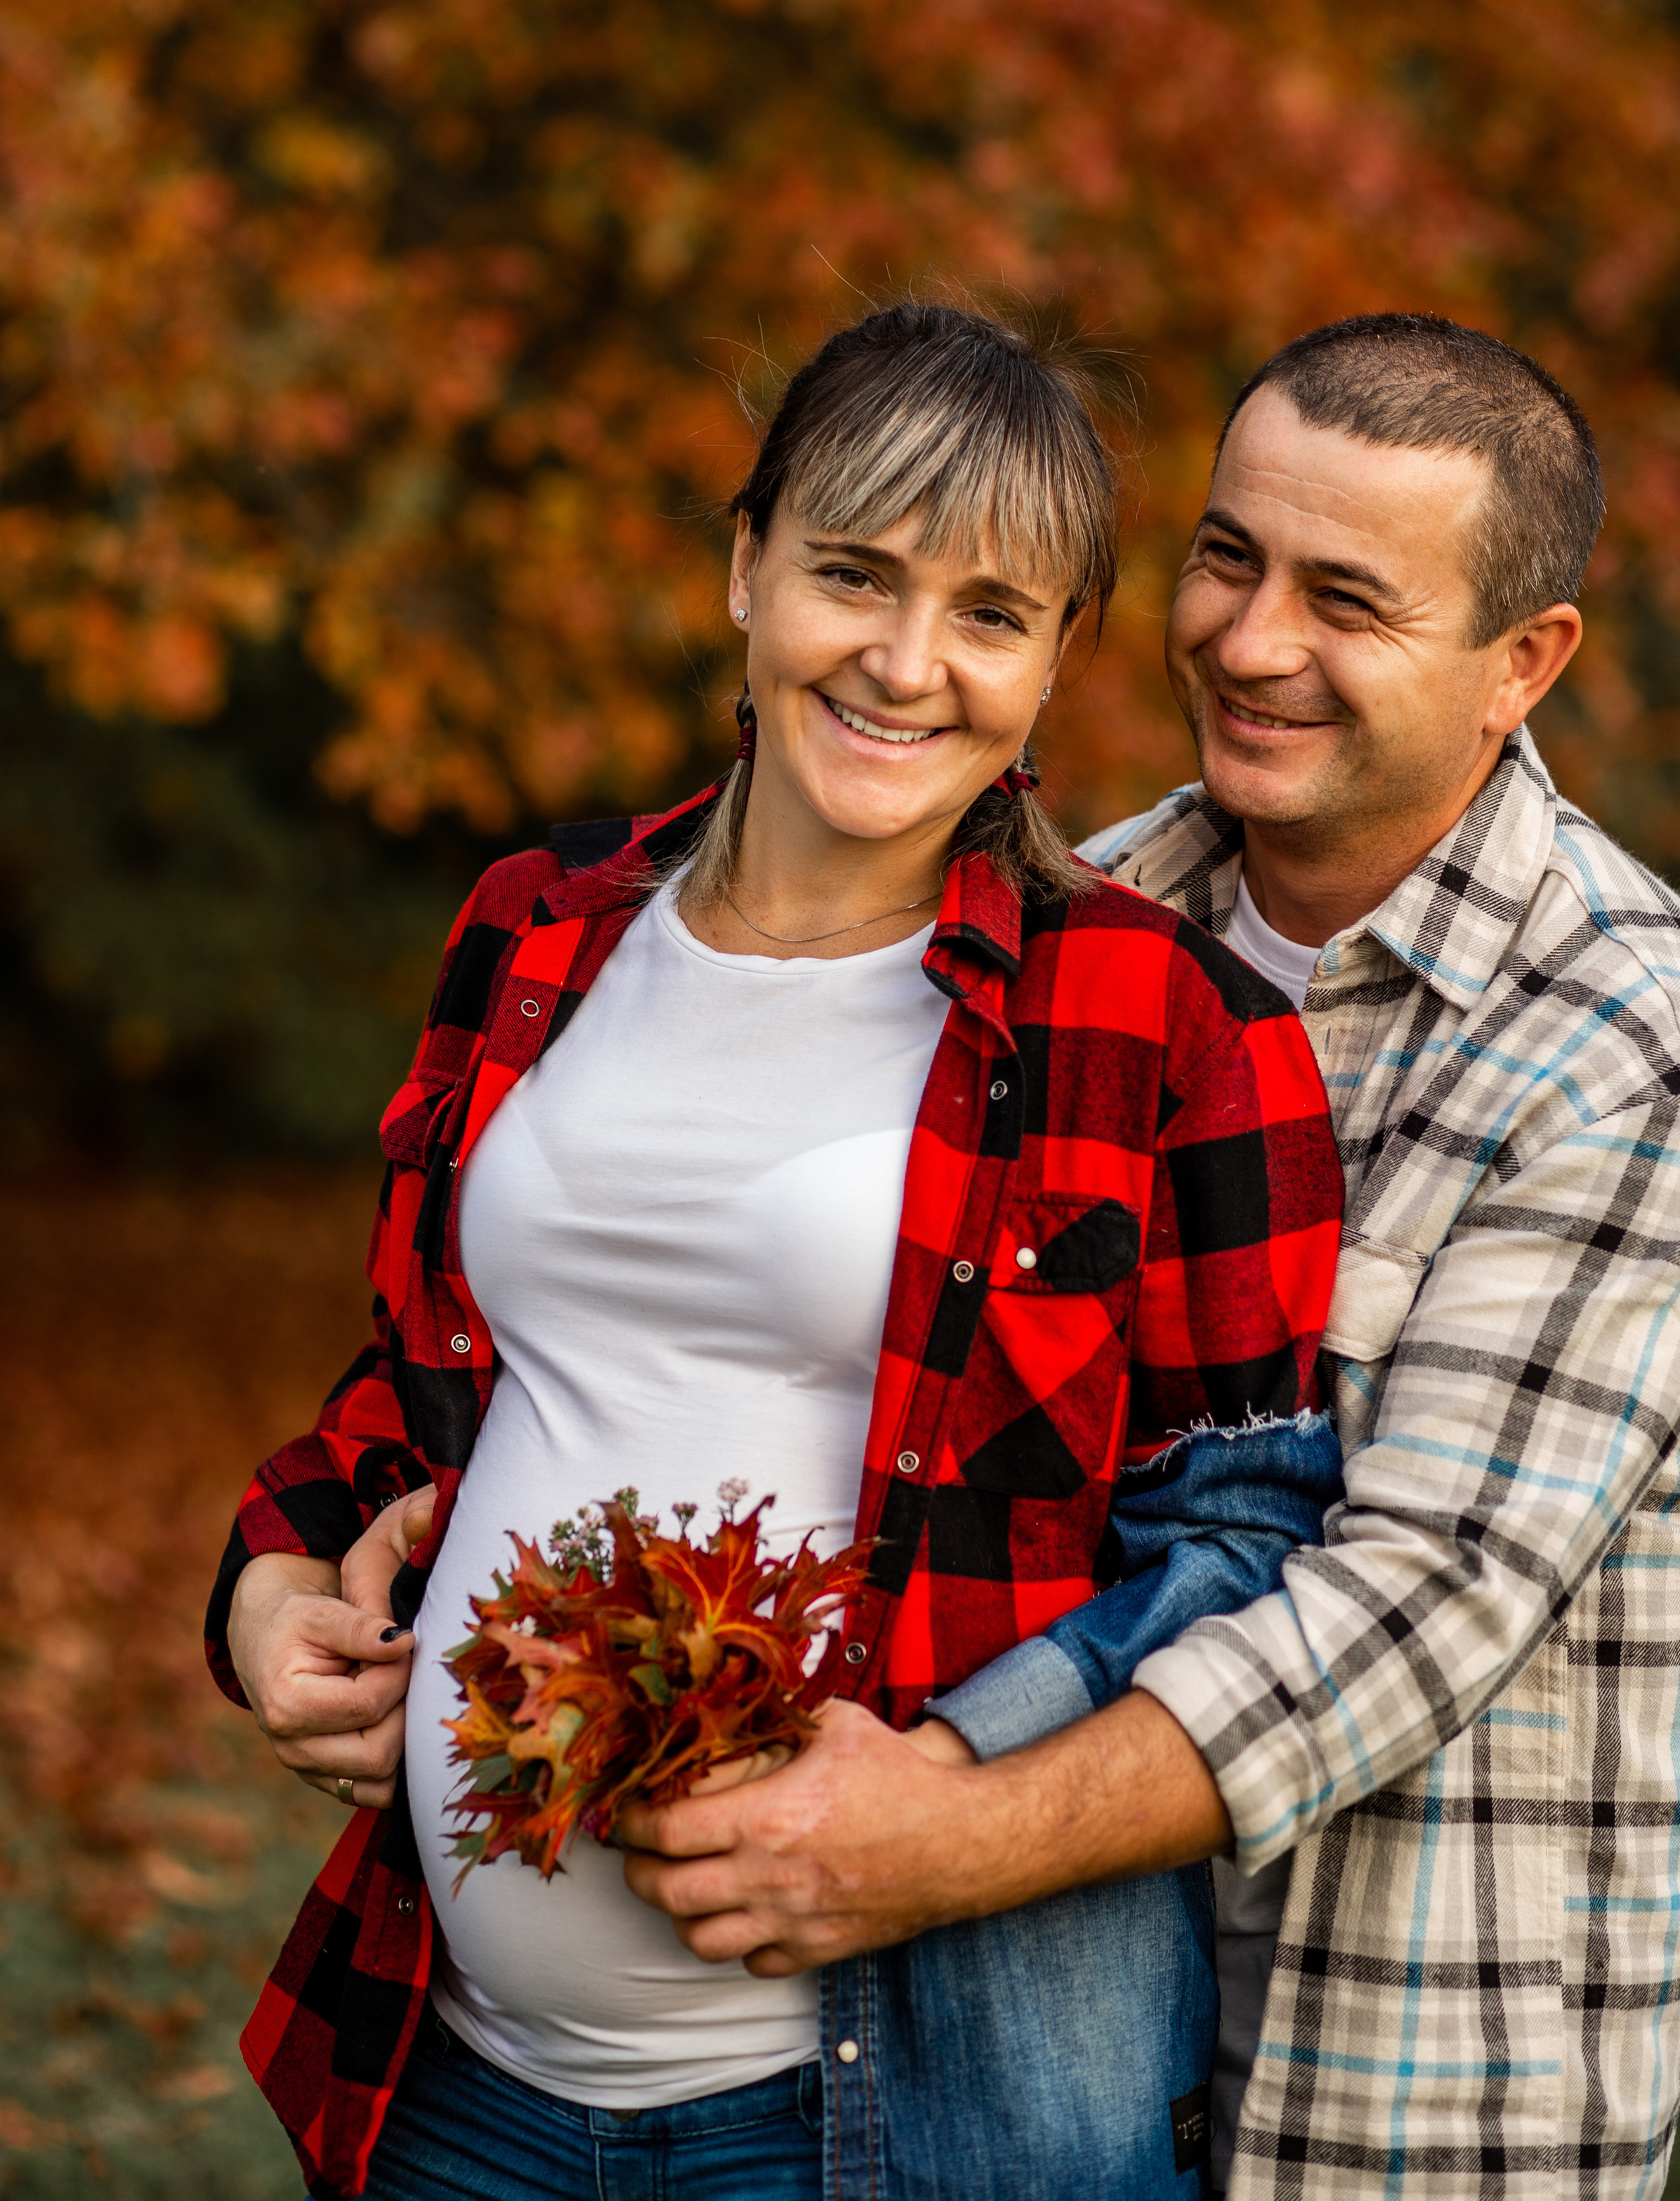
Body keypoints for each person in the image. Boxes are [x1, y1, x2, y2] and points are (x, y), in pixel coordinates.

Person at [615, 313, 1680, 2201]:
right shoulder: (1095, 910)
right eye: (1230, 557)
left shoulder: (1638, 1055)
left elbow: (1412, 1603)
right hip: (1028, 2069)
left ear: (1526, 664)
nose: (1250, 644)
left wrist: (938, 1837)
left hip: (1402, 2090)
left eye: (1348, 600)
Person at [206, 298, 1345, 2201]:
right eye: (853, 575)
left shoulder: (1159, 1021)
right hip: (447, 2074)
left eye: (991, 613)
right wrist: (263, 1596)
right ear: (746, 569)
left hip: (887, 2113)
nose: (908, 665)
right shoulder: (535, 933)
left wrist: (946, 1785)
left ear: (1063, 655)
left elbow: (1246, 1548)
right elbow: (410, 1398)